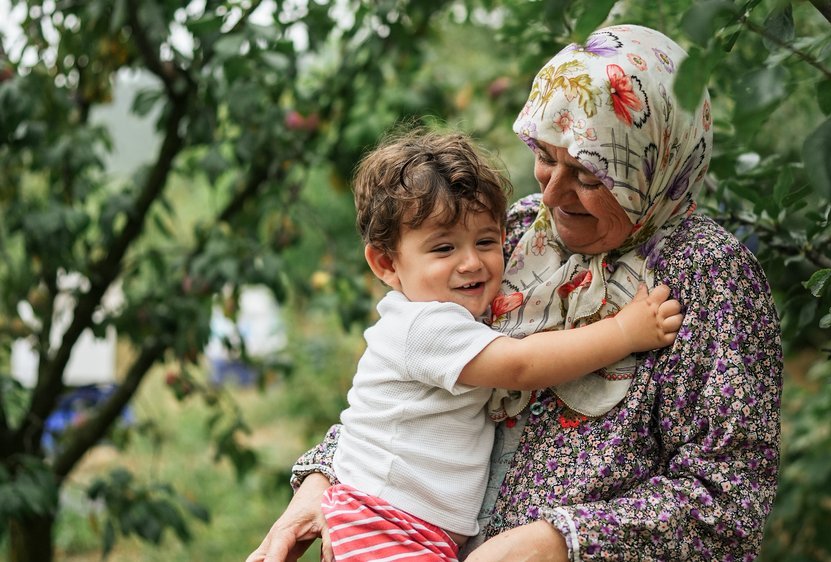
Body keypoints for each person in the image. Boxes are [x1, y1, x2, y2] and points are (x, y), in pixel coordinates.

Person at [248, 23, 782, 562]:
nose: (551, 192)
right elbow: (411, 392)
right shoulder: (518, 229)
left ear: (656, 162)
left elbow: (726, 503)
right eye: (546, 156)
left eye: (589, 175)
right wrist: (325, 480)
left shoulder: (710, 277)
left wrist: (559, 542)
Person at [315, 128, 682, 562]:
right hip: (385, 522)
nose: (471, 262)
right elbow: (522, 366)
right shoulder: (425, 326)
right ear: (386, 263)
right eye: (444, 248)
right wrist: (624, 331)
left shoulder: (450, 315)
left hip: (410, 527)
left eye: (487, 241)